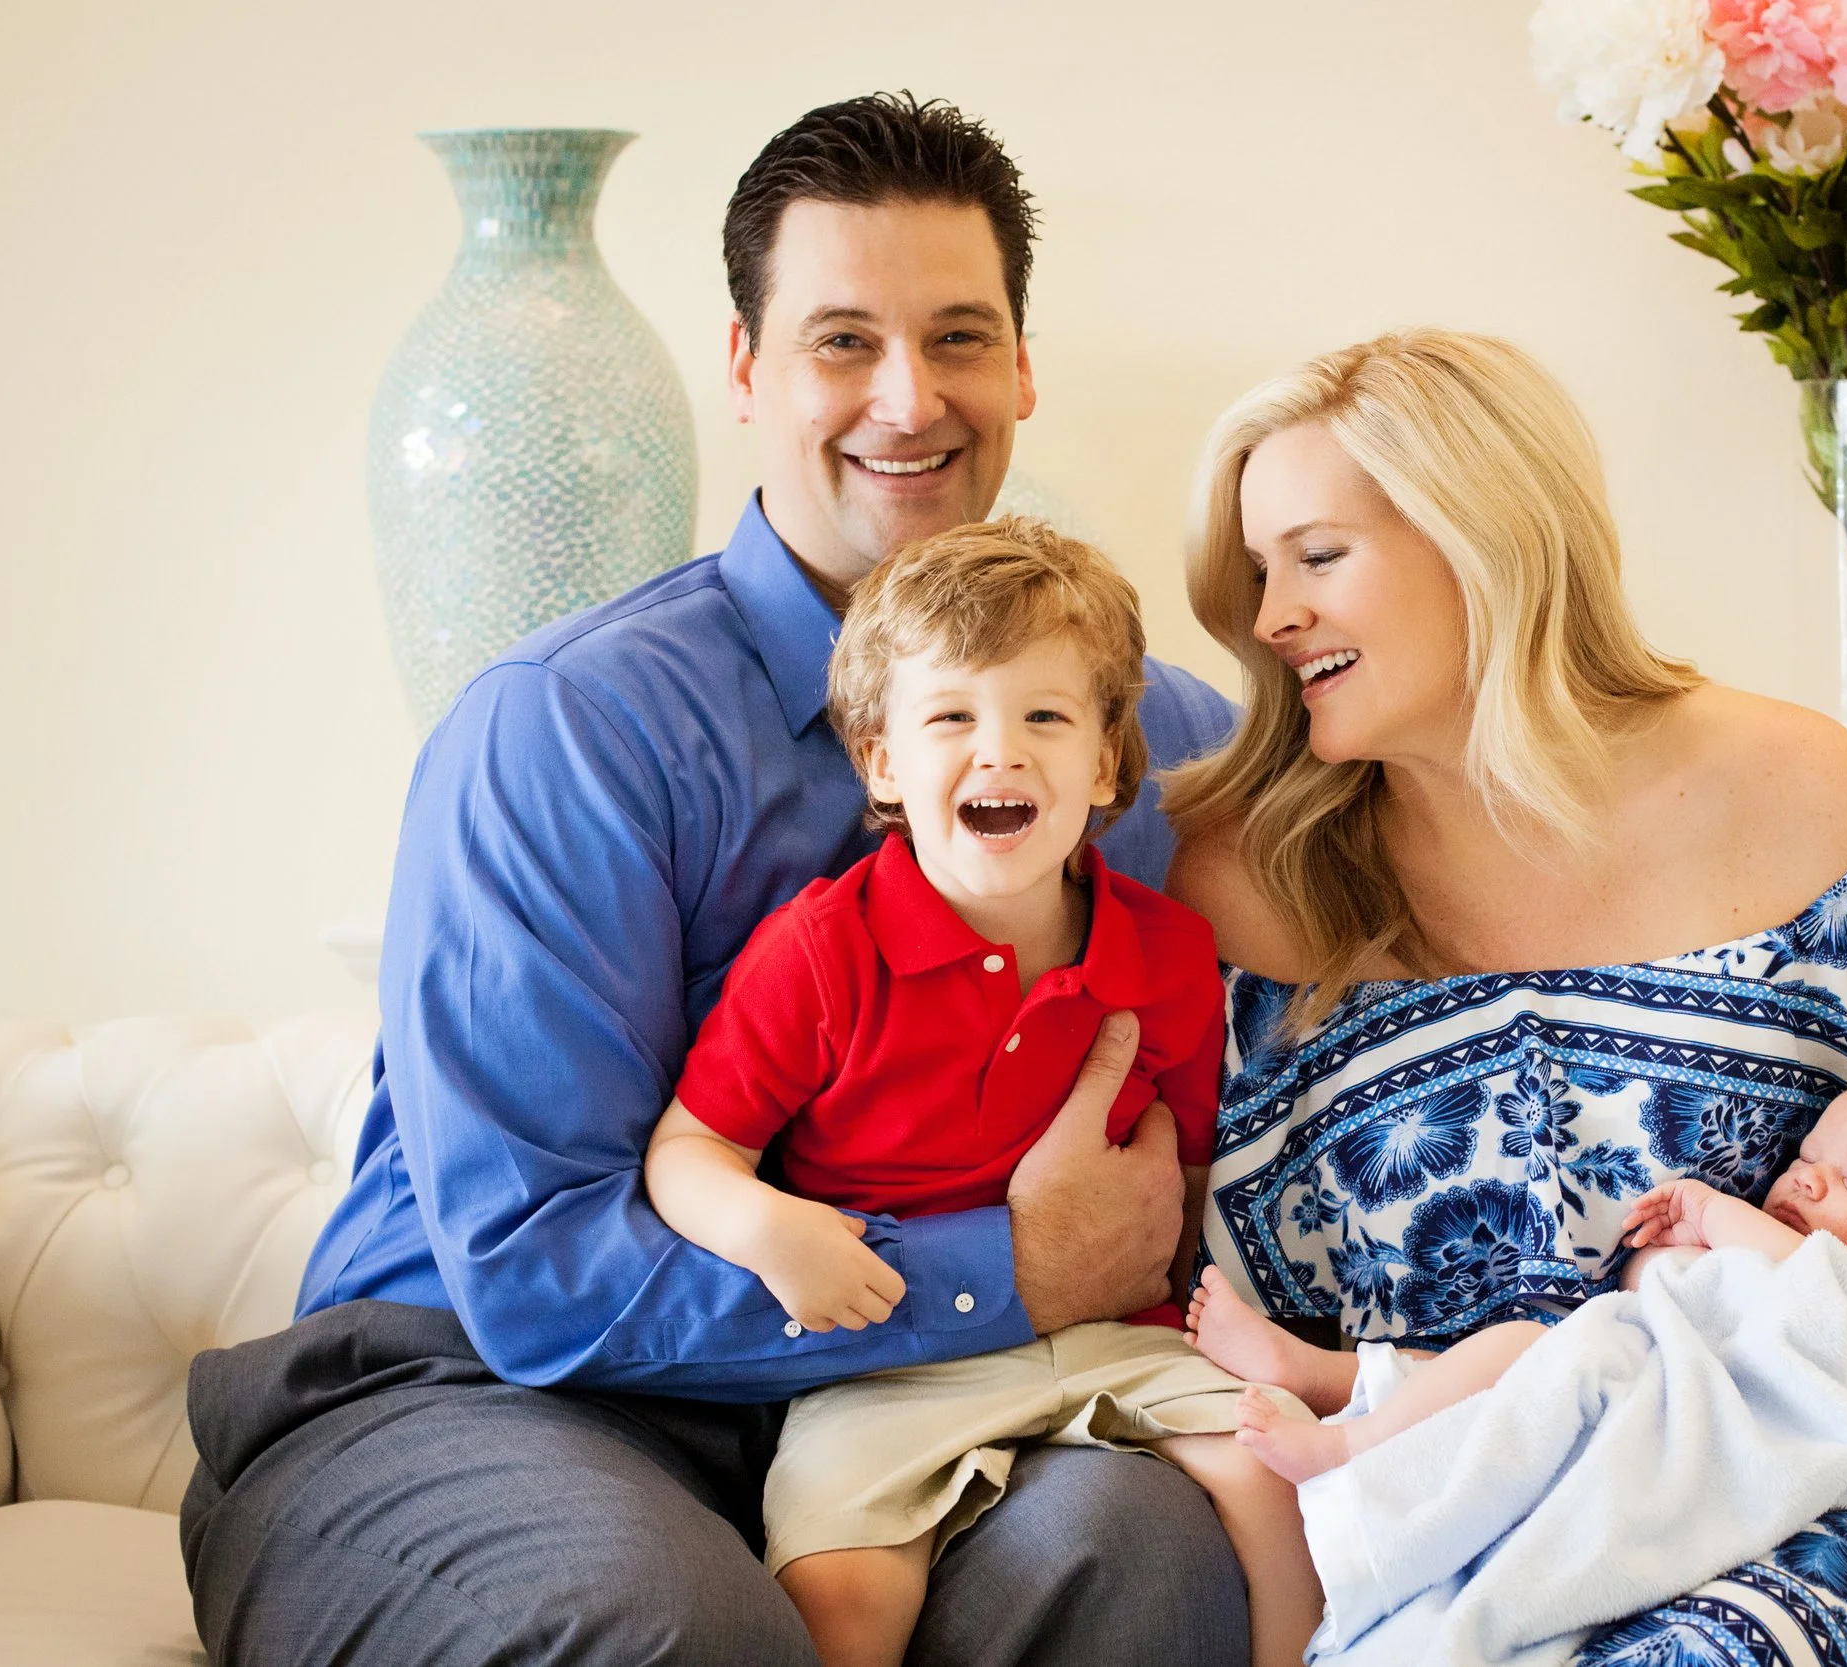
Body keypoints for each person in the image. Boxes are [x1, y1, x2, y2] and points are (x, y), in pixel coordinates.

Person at [179, 96, 1246, 1667]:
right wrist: (1005, 1272)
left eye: (958, 336)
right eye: (841, 341)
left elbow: (1396, 901)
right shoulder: (569, 728)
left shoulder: (1159, 743)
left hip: (925, 1407)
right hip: (476, 1392)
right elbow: (534, 1272)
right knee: (665, 1626)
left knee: (1140, 1543)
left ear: (1022, 367)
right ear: (745, 369)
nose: (908, 398)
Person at [1161, 329, 1847, 1663]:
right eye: (1259, 574)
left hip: (1841, 1492)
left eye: (1317, 556)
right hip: (1473, 1522)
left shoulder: (1801, 793)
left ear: (1482, 535)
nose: (1272, 618)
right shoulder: (1236, 877)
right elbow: (1185, 1287)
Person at [642, 519, 1321, 1667]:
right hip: (890, 1360)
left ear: (1104, 763)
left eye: (1044, 716)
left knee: (1278, 1474)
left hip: (1116, 1333)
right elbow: (689, 1148)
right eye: (951, 717)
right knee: (841, 1589)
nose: (999, 752)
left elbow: (1193, 1176)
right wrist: (769, 1228)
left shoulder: (1165, 951)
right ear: (882, 764)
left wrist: (1226, 1319)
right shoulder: (819, 953)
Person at [1188, 1071, 1847, 1484]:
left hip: (1682, 1428)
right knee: (1504, 1357)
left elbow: (1820, 1288)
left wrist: (1710, 1211)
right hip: (1641, 1380)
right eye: (1809, 1157)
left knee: (1511, 1367)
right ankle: (1327, 1382)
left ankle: (1343, 1442)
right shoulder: (1797, 1247)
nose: (1807, 1180)